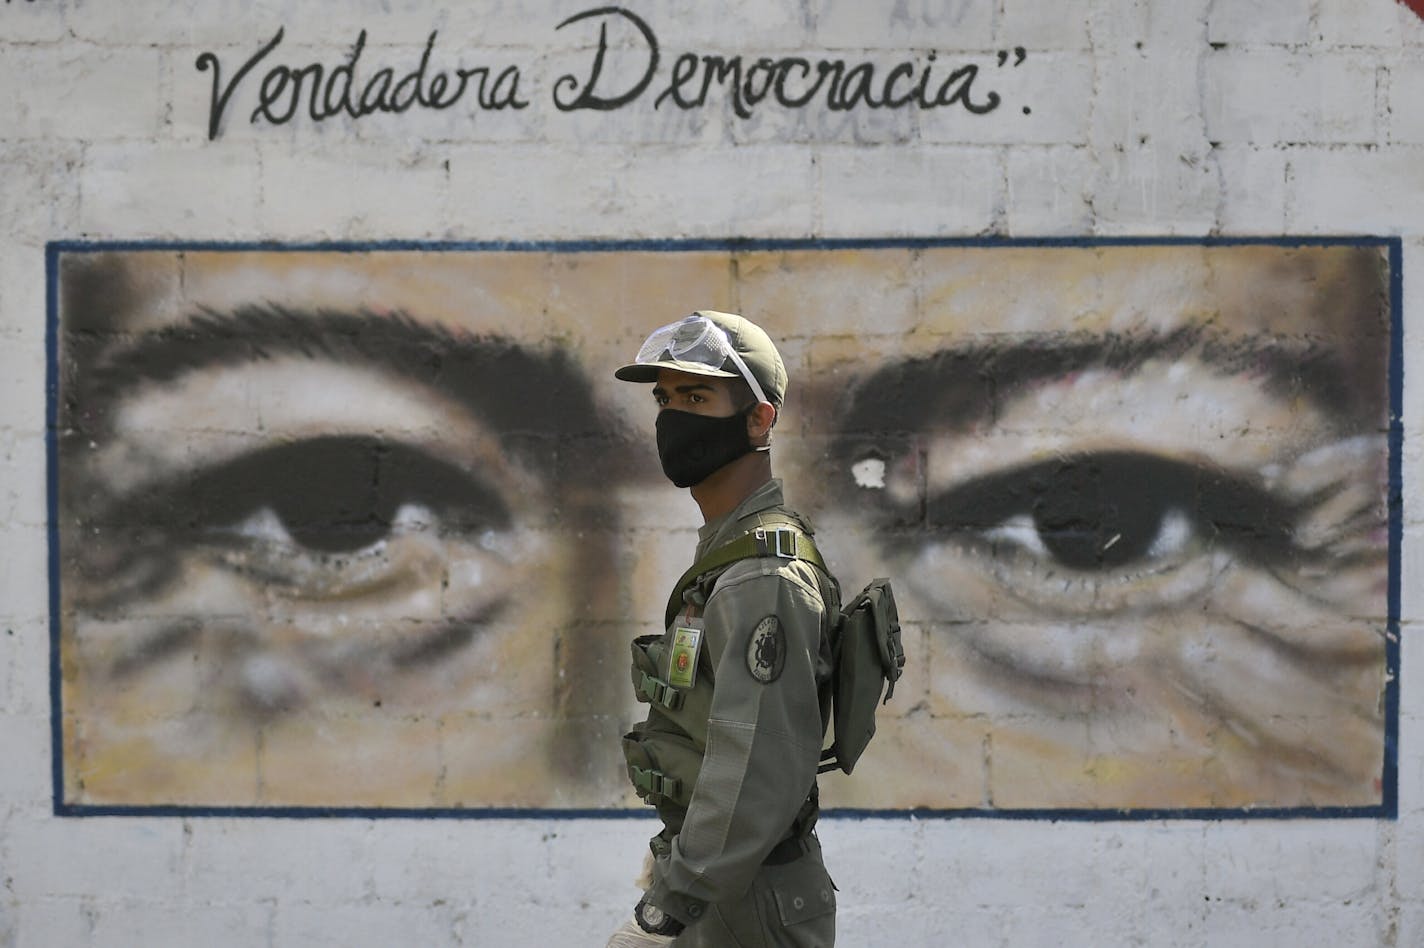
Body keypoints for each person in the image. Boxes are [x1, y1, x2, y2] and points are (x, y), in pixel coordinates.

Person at [605, 311, 839, 947]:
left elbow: (754, 762)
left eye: (697, 396)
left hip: (747, 901)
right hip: (720, 888)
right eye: (666, 398)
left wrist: (666, 909)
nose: (672, 416)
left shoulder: (762, 576)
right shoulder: (728, 555)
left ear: (759, 419)